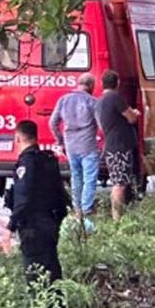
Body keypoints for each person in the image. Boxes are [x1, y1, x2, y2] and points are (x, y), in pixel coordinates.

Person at [6, 120, 70, 308]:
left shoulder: (27, 164)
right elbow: (62, 197)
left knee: (36, 278)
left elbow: (23, 199)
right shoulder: (48, 160)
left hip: (33, 229)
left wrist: (10, 227)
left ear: (17, 138)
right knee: (53, 275)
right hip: (49, 225)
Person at [49, 72, 99, 217]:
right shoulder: (92, 102)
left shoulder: (64, 100)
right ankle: (86, 209)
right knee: (90, 178)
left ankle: (77, 209)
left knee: (76, 176)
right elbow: (101, 125)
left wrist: (60, 140)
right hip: (88, 144)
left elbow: (53, 123)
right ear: (91, 86)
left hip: (70, 144)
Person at [95, 70, 140, 220]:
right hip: (119, 146)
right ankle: (117, 218)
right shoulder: (115, 98)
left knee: (119, 181)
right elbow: (131, 118)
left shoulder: (100, 101)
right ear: (118, 83)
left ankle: (118, 216)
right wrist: (136, 113)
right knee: (119, 183)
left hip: (110, 145)